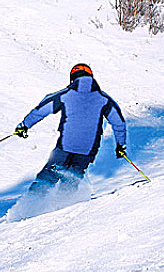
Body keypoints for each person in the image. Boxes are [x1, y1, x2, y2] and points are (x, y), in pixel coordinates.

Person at [14, 63, 127, 193]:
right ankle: (65, 206)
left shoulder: (64, 95)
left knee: (48, 177)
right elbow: (119, 123)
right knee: (71, 181)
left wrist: (24, 125)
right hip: (88, 150)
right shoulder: (104, 99)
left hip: (64, 147)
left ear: (72, 78)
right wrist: (120, 146)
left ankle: (32, 204)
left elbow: (41, 110)